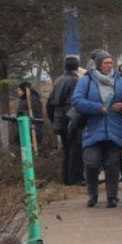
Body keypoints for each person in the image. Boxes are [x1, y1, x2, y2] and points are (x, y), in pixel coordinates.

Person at [72, 50, 122, 208]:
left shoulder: (120, 81)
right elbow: (76, 100)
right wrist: (97, 108)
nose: (109, 66)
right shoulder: (87, 80)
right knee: (92, 163)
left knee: (112, 164)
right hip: (93, 128)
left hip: (114, 127)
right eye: (106, 63)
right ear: (98, 65)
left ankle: (112, 196)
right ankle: (93, 194)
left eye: (111, 63)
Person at [48, 57, 84, 185]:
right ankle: (76, 178)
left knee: (66, 149)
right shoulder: (75, 80)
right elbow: (74, 102)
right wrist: (76, 120)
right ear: (77, 67)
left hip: (58, 119)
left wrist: (53, 120)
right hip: (70, 119)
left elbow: (49, 102)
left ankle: (66, 178)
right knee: (75, 149)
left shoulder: (58, 80)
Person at [14, 82, 47, 157]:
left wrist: (25, 115)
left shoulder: (33, 99)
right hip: (23, 128)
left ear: (24, 90)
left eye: (19, 90)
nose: (18, 92)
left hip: (32, 128)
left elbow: (36, 114)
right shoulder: (23, 99)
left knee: (31, 149)